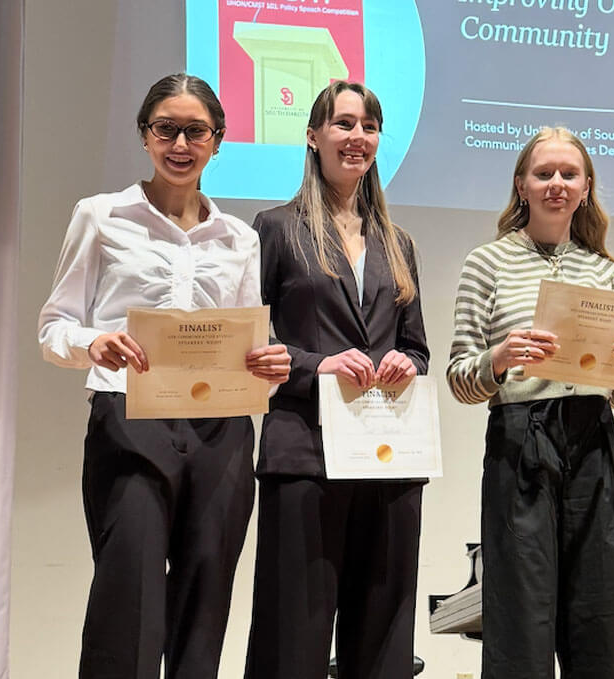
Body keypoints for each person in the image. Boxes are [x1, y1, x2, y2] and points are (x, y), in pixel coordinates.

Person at [37, 73, 291, 679]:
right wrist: (92, 340)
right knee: (130, 594)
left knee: (205, 598)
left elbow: (248, 339)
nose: (180, 143)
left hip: (221, 430)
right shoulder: (100, 216)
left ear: (218, 140)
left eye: (195, 131)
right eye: (166, 129)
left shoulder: (239, 238)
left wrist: (270, 360)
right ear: (145, 137)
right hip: (128, 420)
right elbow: (54, 327)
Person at [446, 126, 614, 679]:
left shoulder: (602, 268)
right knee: (522, 614)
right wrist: (500, 357)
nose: (556, 185)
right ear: (521, 185)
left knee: (599, 610)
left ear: (586, 187)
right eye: (544, 174)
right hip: (521, 437)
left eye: (569, 174)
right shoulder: (486, 263)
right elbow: (459, 379)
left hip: (592, 437)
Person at [243, 81, 429, 679]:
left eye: (369, 126)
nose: (358, 137)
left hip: (389, 456)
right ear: (313, 135)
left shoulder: (399, 244)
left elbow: (418, 349)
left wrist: (408, 364)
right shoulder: (274, 228)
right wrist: (314, 364)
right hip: (304, 452)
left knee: (384, 630)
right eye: (344, 124)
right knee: (291, 628)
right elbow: (246, 343)